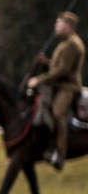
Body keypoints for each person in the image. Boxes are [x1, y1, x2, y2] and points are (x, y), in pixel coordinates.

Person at [28, 11, 85, 171]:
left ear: (68, 26)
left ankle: (60, 153)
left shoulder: (73, 44)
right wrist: (45, 63)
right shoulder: (64, 43)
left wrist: (39, 79)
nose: (56, 27)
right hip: (58, 85)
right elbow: (56, 66)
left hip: (68, 87)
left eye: (58, 24)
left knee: (57, 113)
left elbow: (62, 71)